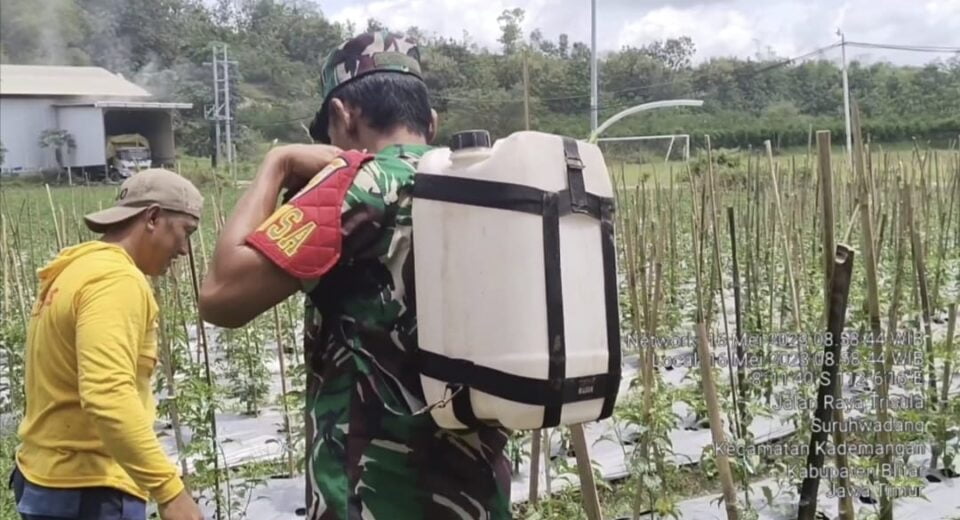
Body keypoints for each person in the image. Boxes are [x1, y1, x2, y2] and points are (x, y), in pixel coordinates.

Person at [199, 31, 512, 519]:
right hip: (477, 490)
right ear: (431, 121)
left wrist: (276, 165)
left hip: (370, 492)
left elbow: (220, 295)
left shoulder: (356, 183)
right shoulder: (485, 185)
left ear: (343, 116)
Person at [10, 168, 205, 520]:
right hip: (88, 489)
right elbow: (107, 392)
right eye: (185, 232)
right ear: (154, 217)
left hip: (47, 478)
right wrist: (170, 492)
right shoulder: (115, 280)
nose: (185, 250)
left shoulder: (76, 269)